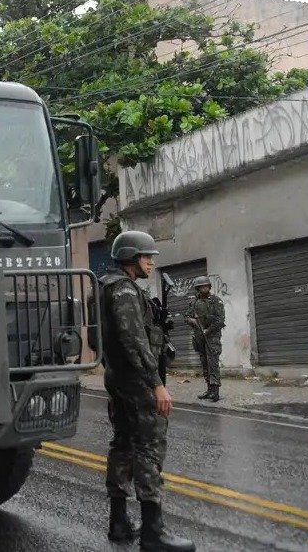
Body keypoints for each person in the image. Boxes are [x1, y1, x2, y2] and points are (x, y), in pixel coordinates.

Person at [98, 231, 195, 552]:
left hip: (118, 377)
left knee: (123, 445)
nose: (151, 262)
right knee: (149, 449)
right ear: (130, 258)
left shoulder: (104, 286)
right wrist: (156, 384)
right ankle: (153, 531)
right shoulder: (124, 291)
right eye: (146, 256)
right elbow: (133, 340)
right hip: (136, 380)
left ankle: (119, 522)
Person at [188, 276, 225, 402]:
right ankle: (209, 389)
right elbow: (187, 316)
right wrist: (191, 320)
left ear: (209, 287)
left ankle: (215, 392)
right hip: (199, 338)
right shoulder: (194, 302)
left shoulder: (216, 301)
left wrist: (207, 330)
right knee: (204, 364)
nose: (204, 288)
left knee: (213, 364)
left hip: (212, 338)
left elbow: (220, 321)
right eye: (201, 287)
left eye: (206, 286)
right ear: (198, 288)